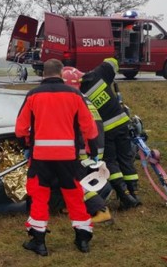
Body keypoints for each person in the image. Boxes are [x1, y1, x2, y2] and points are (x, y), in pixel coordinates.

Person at [16, 59, 99, 255]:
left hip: (41, 156)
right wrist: (92, 150)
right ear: (61, 73)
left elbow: (21, 128)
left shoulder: (33, 95)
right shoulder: (75, 94)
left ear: (43, 74)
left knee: (39, 196)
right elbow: (89, 126)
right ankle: (82, 239)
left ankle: (39, 241)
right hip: (68, 156)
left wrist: (25, 144)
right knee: (74, 195)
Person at [79, 58, 141, 210]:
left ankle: (125, 196)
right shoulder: (97, 75)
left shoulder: (79, 94)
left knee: (111, 162)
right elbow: (112, 62)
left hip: (105, 131)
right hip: (122, 123)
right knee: (126, 159)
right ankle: (134, 193)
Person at [60, 66, 112, 224]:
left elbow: (79, 130)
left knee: (76, 181)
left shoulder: (73, 101)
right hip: (95, 150)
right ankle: (72, 204)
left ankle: (101, 210)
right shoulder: (85, 99)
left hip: (84, 151)